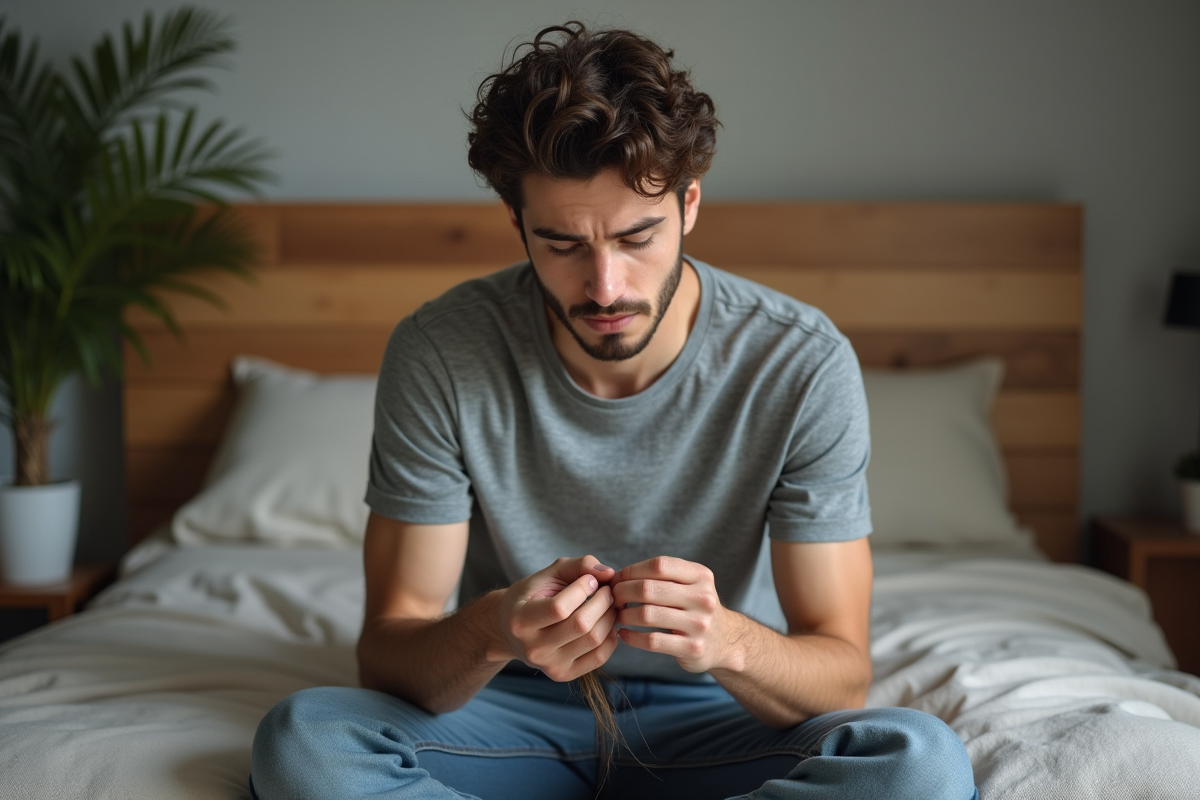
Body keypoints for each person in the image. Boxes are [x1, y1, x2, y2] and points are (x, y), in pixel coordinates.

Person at [250, 21, 978, 800]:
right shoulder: (440, 351)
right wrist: (498, 627)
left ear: (690, 203)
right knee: (305, 742)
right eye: (562, 244)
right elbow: (390, 655)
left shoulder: (801, 362)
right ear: (516, 223)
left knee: (920, 763)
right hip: (506, 710)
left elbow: (841, 674)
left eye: (637, 237)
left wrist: (726, 639)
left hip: (719, 716)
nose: (605, 287)